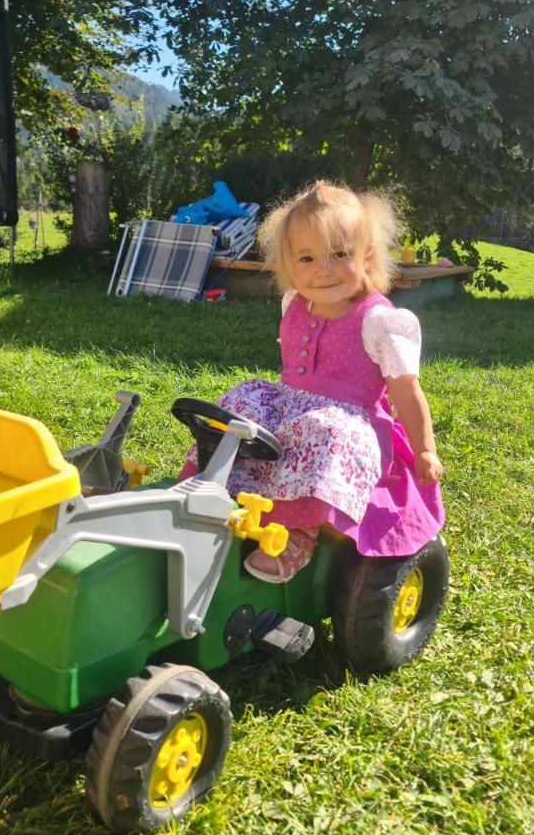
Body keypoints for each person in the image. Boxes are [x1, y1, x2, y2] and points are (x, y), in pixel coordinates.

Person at [182, 181, 445, 582]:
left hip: (350, 422)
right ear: (288, 264)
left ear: (367, 255)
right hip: (293, 403)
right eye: (307, 258)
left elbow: (407, 392)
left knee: (324, 432)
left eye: (339, 254)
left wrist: (425, 450)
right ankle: (214, 492)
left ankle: (297, 533)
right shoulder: (294, 304)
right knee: (243, 403)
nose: (323, 270)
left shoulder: (381, 322)